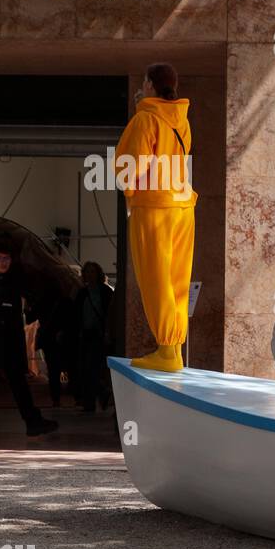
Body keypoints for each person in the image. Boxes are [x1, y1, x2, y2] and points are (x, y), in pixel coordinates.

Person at [115, 62, 196, 373]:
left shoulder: (145, 119)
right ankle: (173, 348)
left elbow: (129, 166)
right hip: (183, 205)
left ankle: (165, 349)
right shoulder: (181, 120)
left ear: (148, 84)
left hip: (155, 206)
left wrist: (130, 195)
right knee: (176, 278)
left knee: (155, 276)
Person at [0, 239, 59, 441]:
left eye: (7, 258)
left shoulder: (12, 283)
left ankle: (32, 421)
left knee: (18, 382)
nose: (3, 262)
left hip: (8, 343)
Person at [74, 261, 115, 411]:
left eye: (93, 271)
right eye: (87, 272)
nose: (90, 275)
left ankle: (96, 397)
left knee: (94, 368)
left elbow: (110, 314)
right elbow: (76, 315)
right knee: (85, 369)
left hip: (99, 334)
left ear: (98, 274)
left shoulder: (105, 292)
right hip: (85, 334)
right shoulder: (82, 293)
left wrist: (108, 332)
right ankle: (93, 399)